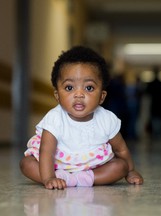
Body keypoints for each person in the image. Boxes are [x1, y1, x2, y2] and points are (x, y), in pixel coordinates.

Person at [20, 46, 143, 190]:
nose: (79, 94)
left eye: (89, 88)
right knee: (26, 163)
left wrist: (130, 171)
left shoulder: (106, 119)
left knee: (121, 166)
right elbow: (46, 152)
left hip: (93, 168)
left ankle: (81, 179)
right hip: (57, 165)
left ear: (102, 97)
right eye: (69, 88)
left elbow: (121, 150)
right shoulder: (54, 118)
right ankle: (62, 177)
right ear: (57, 96)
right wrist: (49, 178)